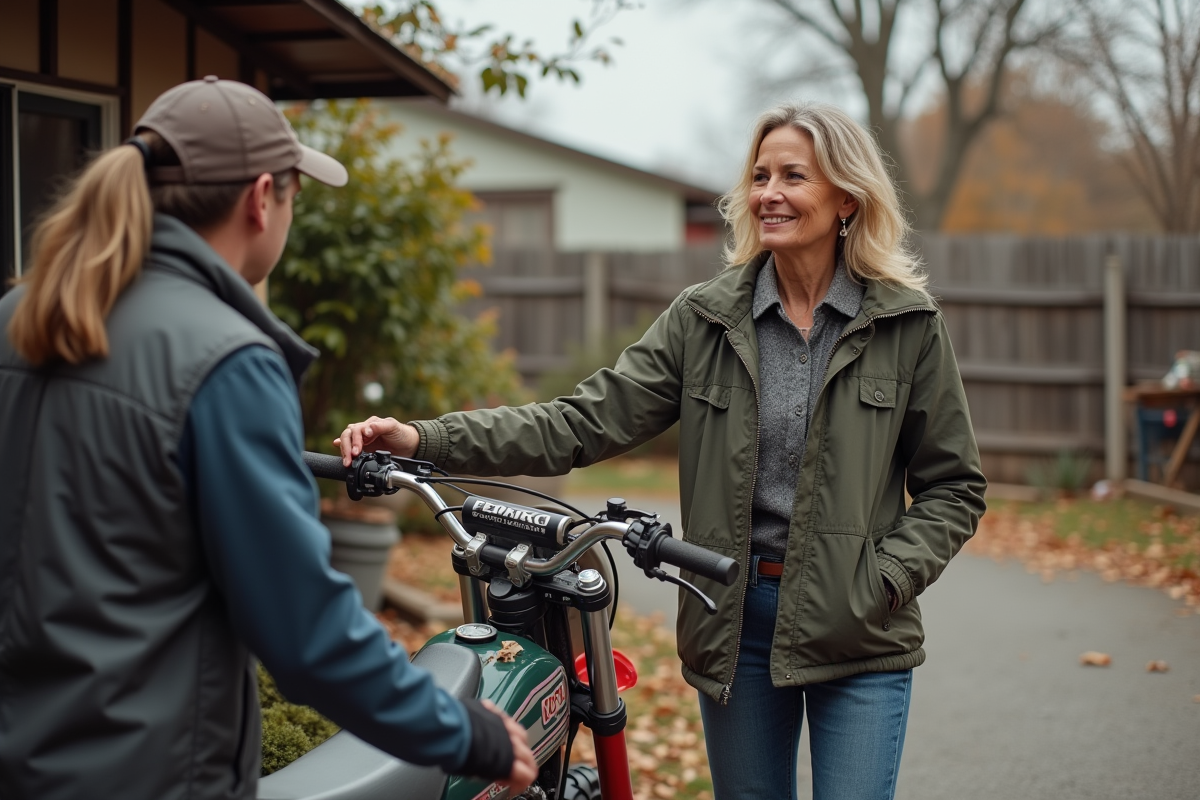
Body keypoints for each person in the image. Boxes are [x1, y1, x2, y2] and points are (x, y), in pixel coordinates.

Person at [336, 101, 987, 800]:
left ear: (847, 199)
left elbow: (955, 487)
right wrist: (424, 438)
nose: (768, 193)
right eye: (760, 176)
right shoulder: (705, 319)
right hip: (734, 624)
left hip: (861, 632)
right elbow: (578, 423)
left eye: (793, 176)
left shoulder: (905, 325)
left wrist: (884, 580)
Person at [0, 77, 535, 800]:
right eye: (294, 195)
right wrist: (467, 733)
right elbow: (305, 630)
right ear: (260, 199)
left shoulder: (19, 316)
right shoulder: (225, 360)